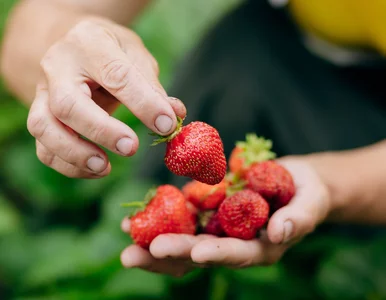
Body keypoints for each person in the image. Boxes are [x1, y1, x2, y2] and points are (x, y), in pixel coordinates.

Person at [1, 0, 386, 277]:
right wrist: (65, 42)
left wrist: (333, 185)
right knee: (237, 66)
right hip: (288, 51)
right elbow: (28, 28)